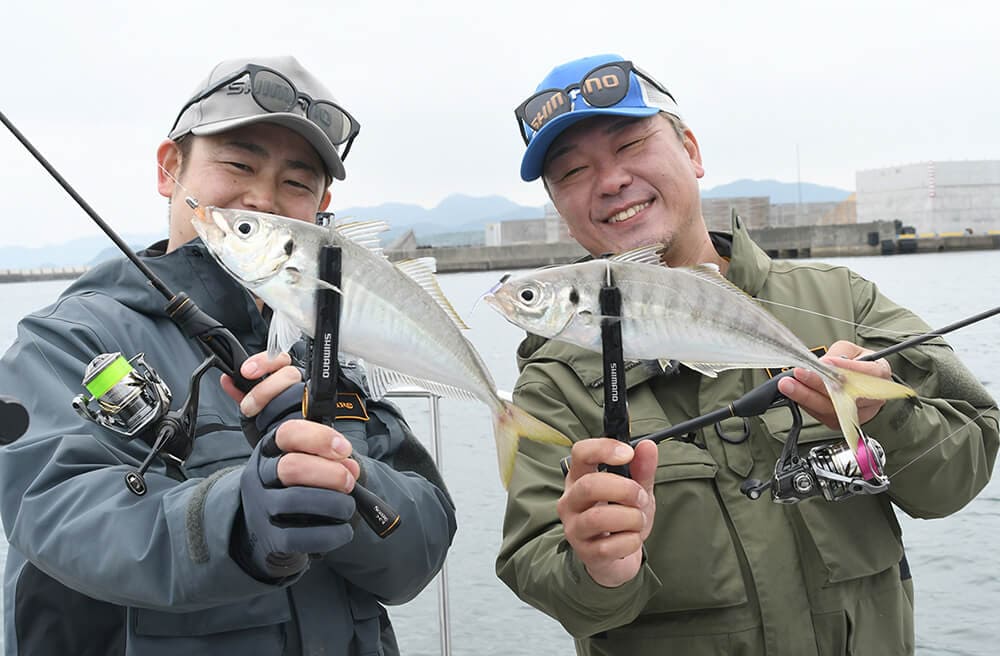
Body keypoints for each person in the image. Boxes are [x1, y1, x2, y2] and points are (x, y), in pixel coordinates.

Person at [495, 53, 999, 656]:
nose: (609, 181)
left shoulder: (841, 299)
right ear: (559, 208)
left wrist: (885, 418)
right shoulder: (554, 382)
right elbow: (535, 565)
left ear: (692, 151)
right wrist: (597, 568)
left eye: (631, 144)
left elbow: (961, 469)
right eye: (573, 172)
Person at [0, 55, 456, 655]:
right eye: (238, 163)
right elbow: (60, 510)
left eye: (296, 183)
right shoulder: (69, 337)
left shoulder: (328, 351)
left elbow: (417, 549)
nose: (262, 200)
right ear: (170, 169)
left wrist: (347, 475)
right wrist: (239, 520)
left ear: (319, 212)